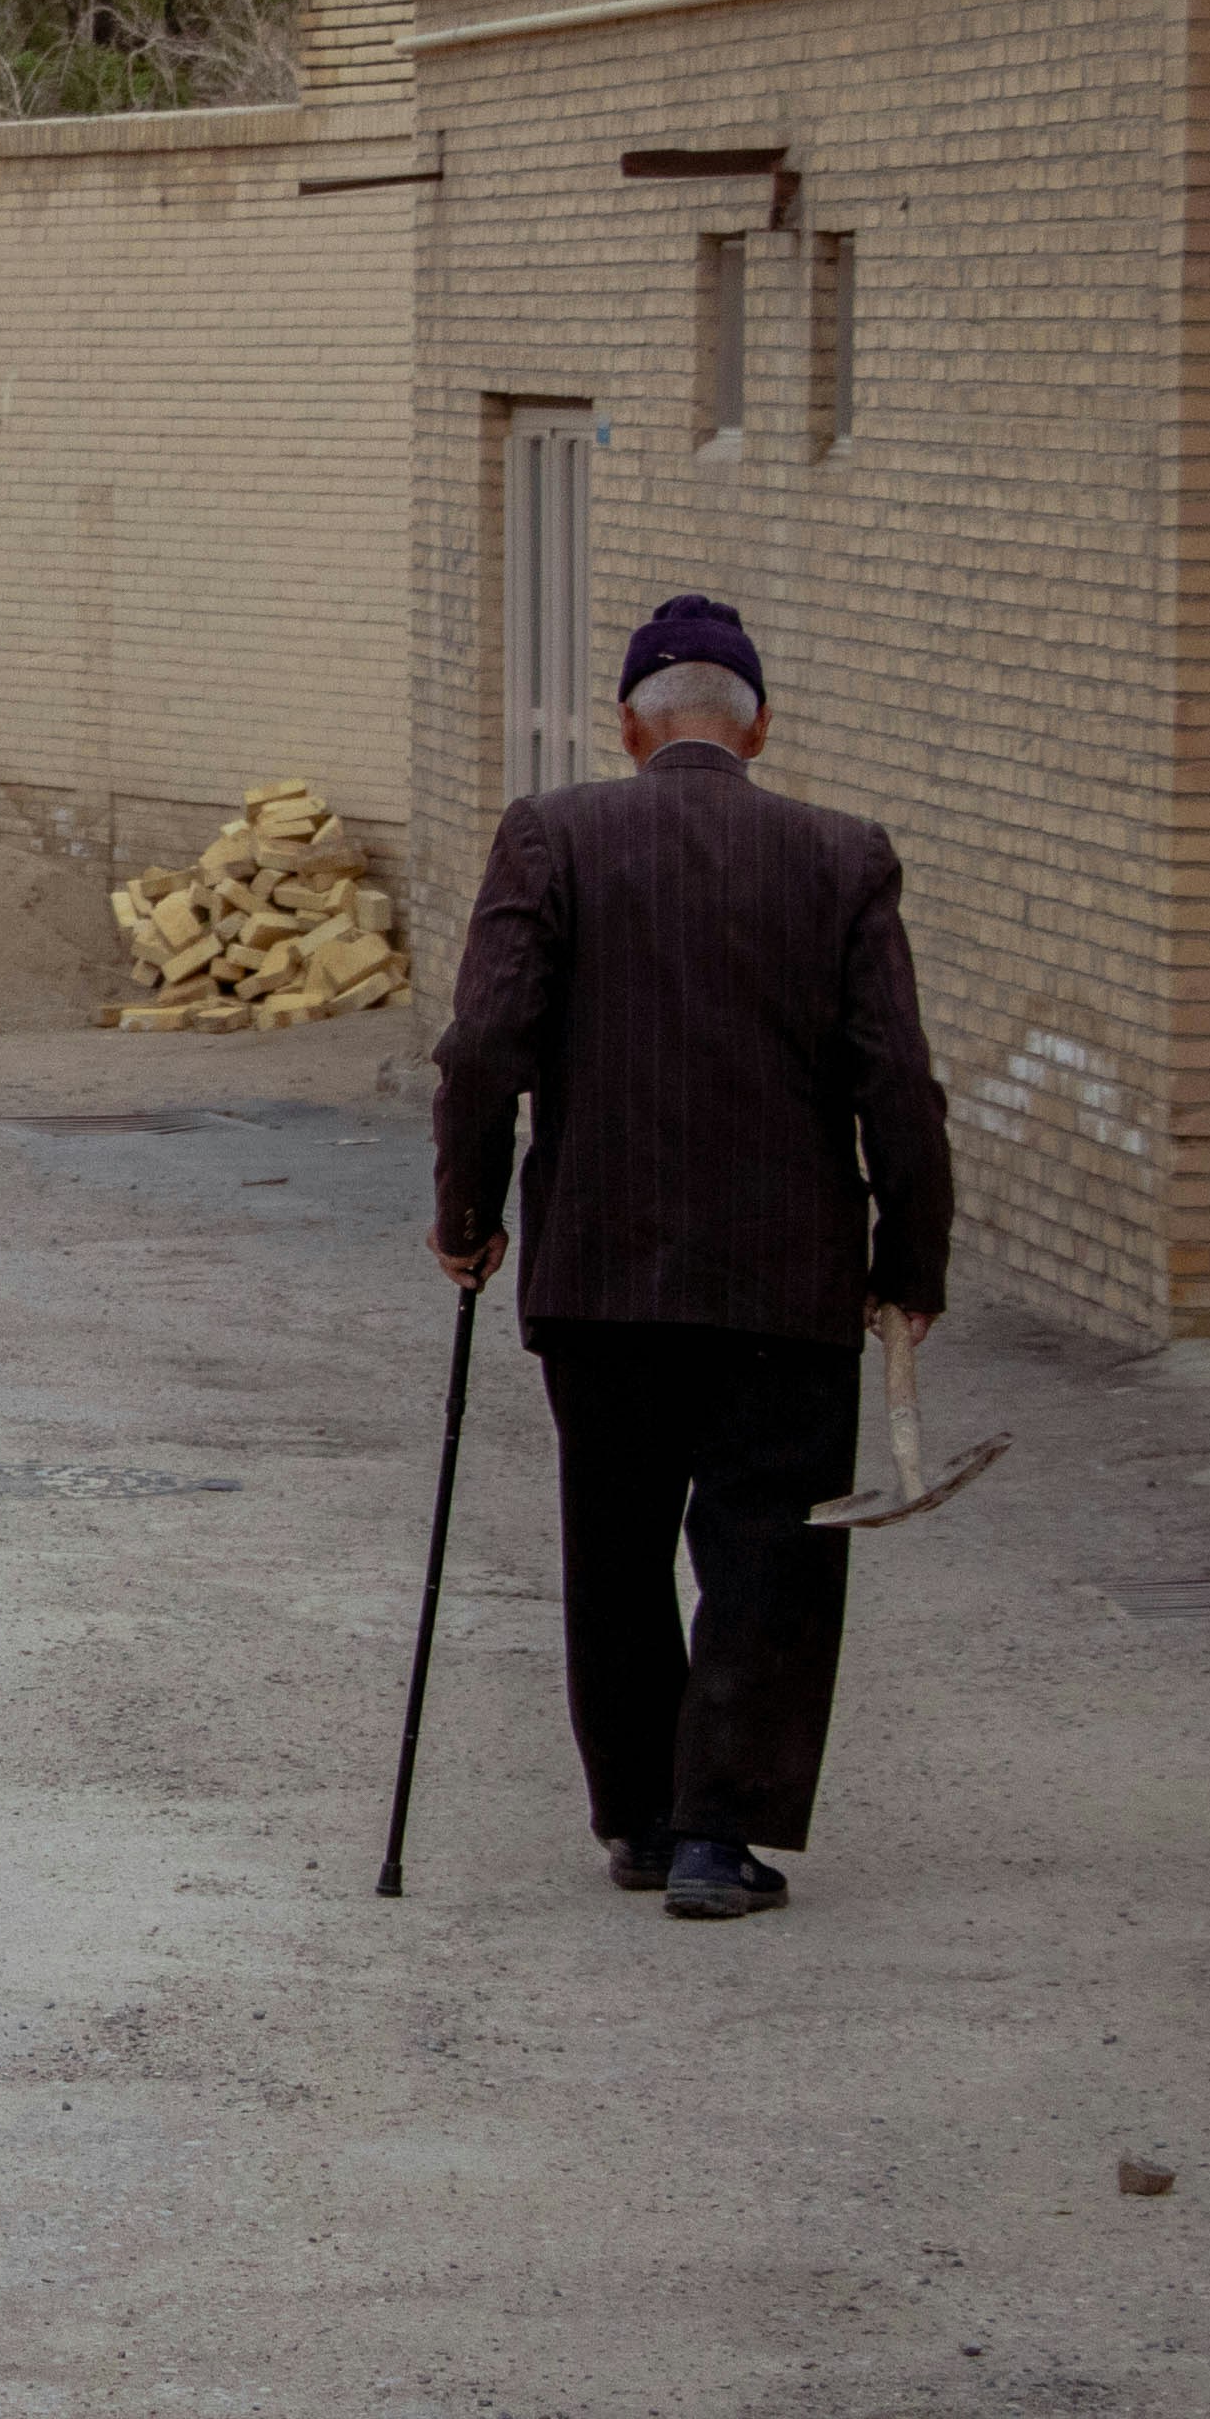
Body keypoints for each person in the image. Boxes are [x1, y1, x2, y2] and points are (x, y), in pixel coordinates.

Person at [424, 594, 951, 1922]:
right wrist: (911, 1260)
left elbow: (484, 1046)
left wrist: (468, 1213)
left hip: (600, 1274)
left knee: (615, 1543)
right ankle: (720, 1834)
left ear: (628, 728)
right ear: (759, 727)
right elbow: (901, 1086)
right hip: (788, 1279)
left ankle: (645, 1825)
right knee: (767, 1545)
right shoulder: (843, 860)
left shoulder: (558, 838)